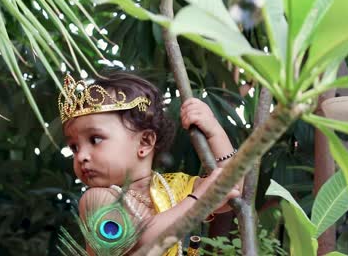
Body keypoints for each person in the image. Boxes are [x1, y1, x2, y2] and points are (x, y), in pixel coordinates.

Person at [59, 72, 241, 256]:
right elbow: (140, 241)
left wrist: (214, 132)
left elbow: (233, 190)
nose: (81, 155)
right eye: (74, 147)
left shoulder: (175, 187)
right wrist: (198, 201)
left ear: (145, 142)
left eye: (95, 139)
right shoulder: (96, 199)